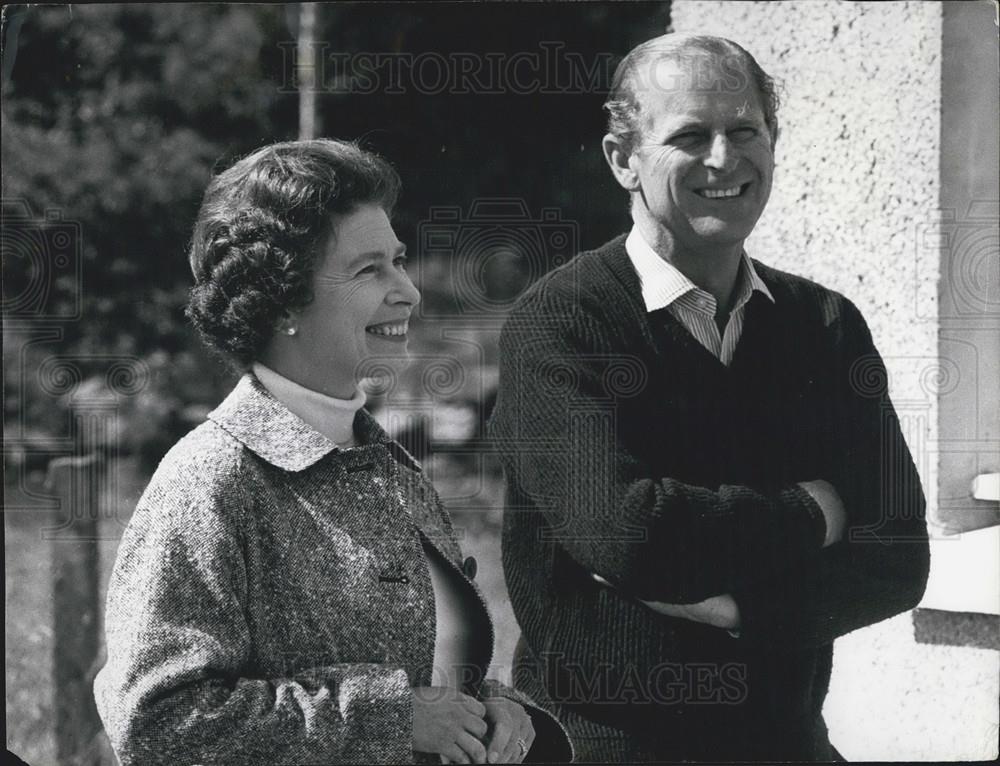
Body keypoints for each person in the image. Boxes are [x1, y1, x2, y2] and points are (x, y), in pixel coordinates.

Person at [488, 34, 930, 762]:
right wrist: (817, 509)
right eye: (690, 136)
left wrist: (738, 609)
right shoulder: (563, 322)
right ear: (622, 159)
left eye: (745, 130)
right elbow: (630, 535)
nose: (724, 159)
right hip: (607, 746)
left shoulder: (824, 324)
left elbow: (898, 557)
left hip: (786, 742)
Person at [94, 139, 572, 766]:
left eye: (398, 261)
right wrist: (391, 718)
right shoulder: (209, 481)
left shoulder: (387, 464)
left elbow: (429, 675)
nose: (408, 292)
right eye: (369, 269)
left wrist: (497, 711)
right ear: (285, 297)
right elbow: (156, 723)